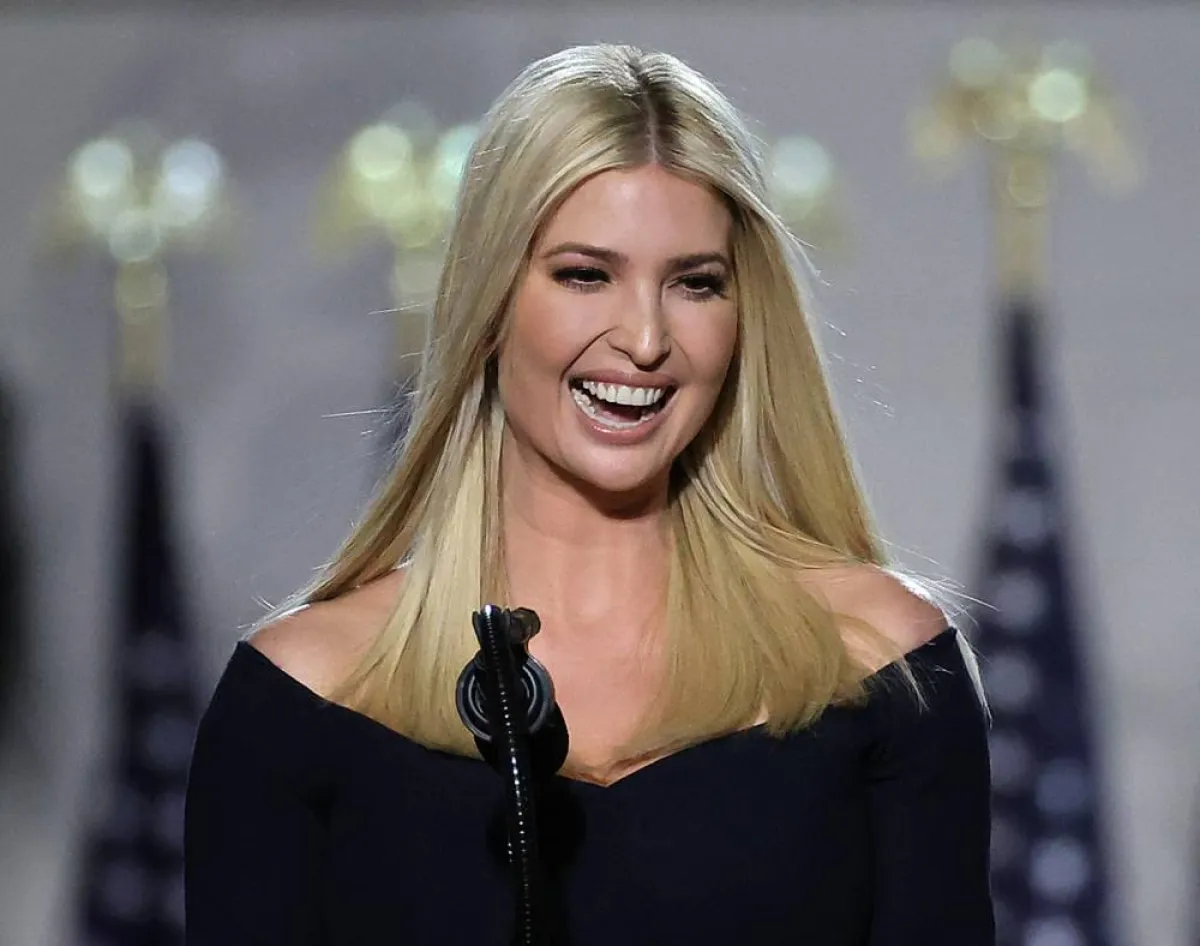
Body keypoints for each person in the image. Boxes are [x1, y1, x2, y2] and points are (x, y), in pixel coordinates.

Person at [184, 43, 994, 945]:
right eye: (585, 275)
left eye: (695, 283)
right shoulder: (301, 698)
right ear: (490, 300)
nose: (645, 338)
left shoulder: (881, 665)